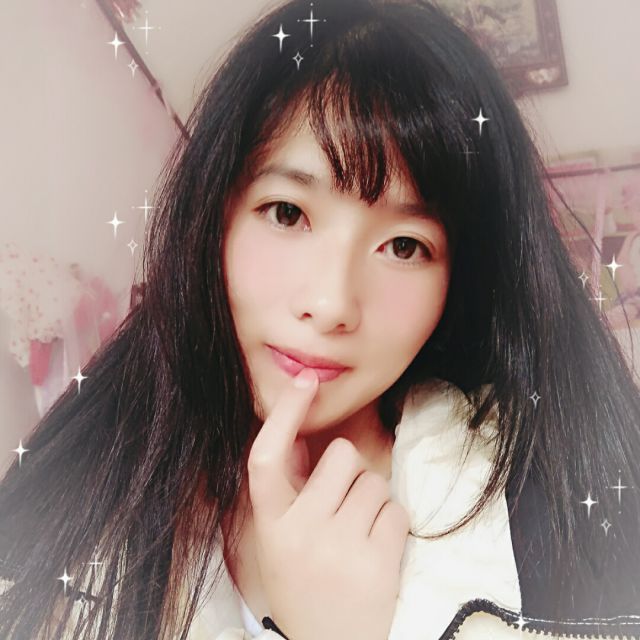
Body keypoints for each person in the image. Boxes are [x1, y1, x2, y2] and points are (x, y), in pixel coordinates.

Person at [1, 0, 639, 638]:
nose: (332, 304)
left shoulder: (544, 504)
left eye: (405, 246)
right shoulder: (89, 470)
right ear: (214, 215)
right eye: (287, 213)